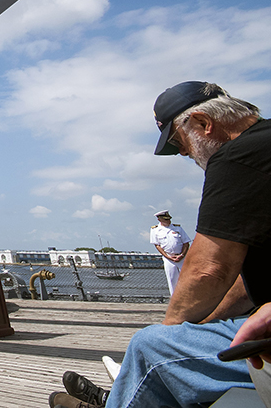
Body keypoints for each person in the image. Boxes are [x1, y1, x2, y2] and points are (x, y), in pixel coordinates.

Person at [50, 81, 270, 408]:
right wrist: (199, 325)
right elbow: (247, 283)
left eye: (178, 141)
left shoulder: (237, 156)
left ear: (203, 124)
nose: (182, 152)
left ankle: (116, 399)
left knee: (149, 346)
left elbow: (208, 271)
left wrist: (169, 336)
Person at [149, 209, 191, 296]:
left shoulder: (177, 228)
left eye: (169, 219)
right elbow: (157, 245)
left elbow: (186, 243)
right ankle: (175, 299)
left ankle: (186, 297)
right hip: (168, 258)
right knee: (172, 279)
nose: (168, 221)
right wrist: (167, 257)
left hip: (181, 257)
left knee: (186, 279)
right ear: (159, 219)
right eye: (165, 219)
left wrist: (182, 255)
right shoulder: (155, 230)